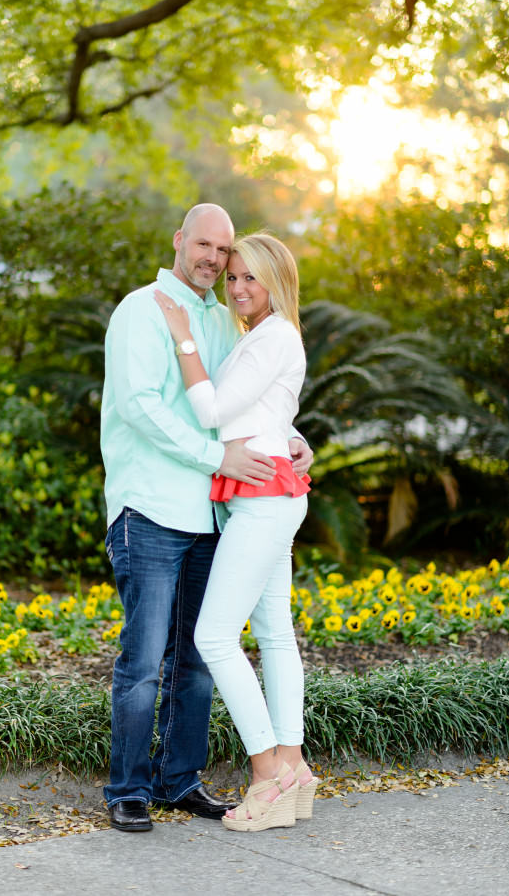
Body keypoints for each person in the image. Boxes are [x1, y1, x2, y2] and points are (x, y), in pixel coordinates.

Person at [100, 204, 313, 832]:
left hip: (214, 511)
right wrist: (215, 454)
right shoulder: (140, 310)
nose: (215, 261)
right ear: (179, 241)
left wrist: (294, 439)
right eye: (205, 246)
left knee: (196, 658)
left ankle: (179, 778)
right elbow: (142, 408)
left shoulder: (228, 321)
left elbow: (249, 399)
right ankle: (129, 788)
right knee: (143, 661)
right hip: (152, 506)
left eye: (224, 252)